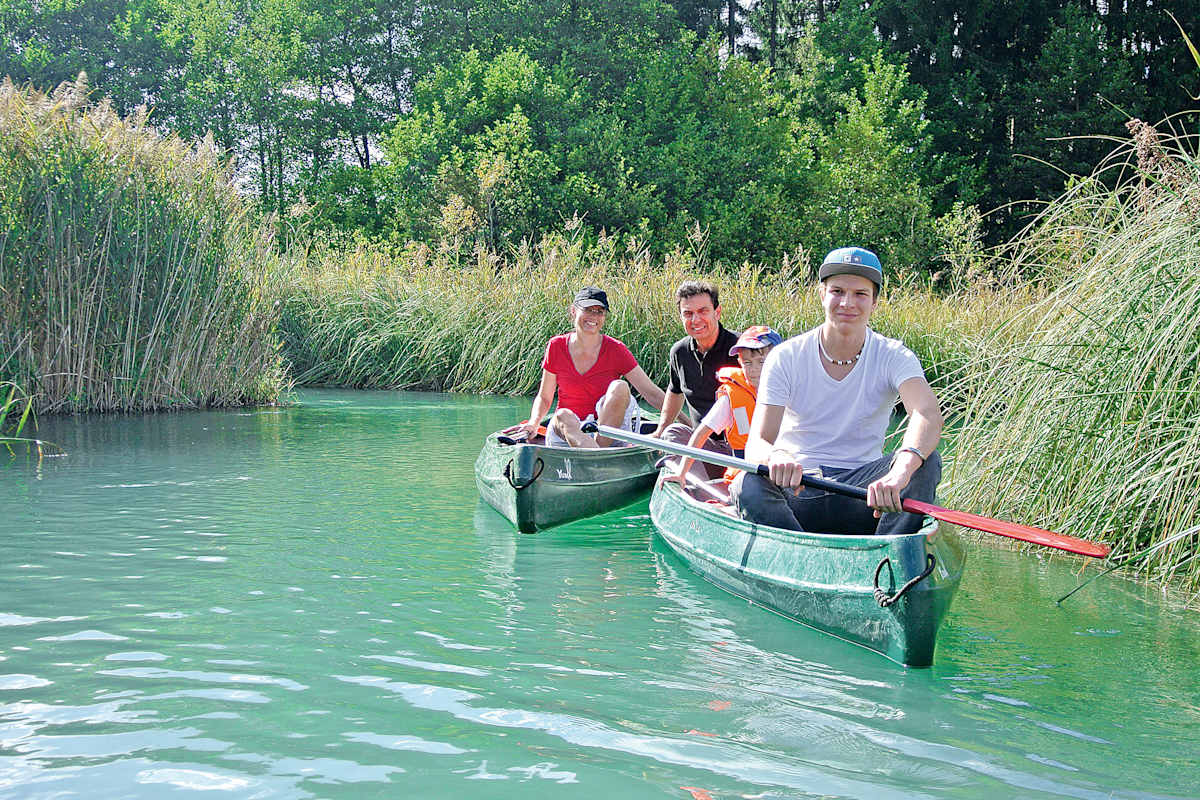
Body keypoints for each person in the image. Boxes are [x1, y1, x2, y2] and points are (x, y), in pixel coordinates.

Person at [731, 247, 943, 535]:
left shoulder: (894, 356)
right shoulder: (786, 357)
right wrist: (774, 458)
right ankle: (797, 554)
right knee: (748, 483)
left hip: (865, 495)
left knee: (926, 461)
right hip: (799, 489)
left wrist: (900, 471)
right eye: (837, 291)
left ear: (875, 302)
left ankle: (887, 557)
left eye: (860, 294)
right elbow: (758, 442)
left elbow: (926, 413)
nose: (847, 302)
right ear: (822, 295)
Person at [517, 286, 665, 448]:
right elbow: (545, 397)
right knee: (563, 415)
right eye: (588, 310)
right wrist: (533, 422)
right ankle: (596, 456)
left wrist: (688, 425)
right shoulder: (556, 346)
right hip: (567, 432)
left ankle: (595, 452)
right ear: (573, 311)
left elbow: (652, 393)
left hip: (606, 433)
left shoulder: (616, 349)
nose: (594, 316)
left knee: (620, 387)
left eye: (599, 311)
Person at [667, 325, 782, 489]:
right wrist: (681, 473)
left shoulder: (792, 391)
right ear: (740, 363)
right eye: (747, 363)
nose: (754, 370)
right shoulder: (731, 398)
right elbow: (701, 433)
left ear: (779, 361)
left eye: (762, 362)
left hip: (784, 469)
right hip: (747, 474)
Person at [653, 281, 741, 475]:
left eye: (703, 311)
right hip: (703, 448)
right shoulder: (679, 352)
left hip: (742, 450)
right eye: (688, 314)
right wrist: (660, 429)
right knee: (672, 433)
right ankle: (692, 488)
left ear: (717, 312)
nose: (696, 320)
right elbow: (675, 391)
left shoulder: (742, 351)